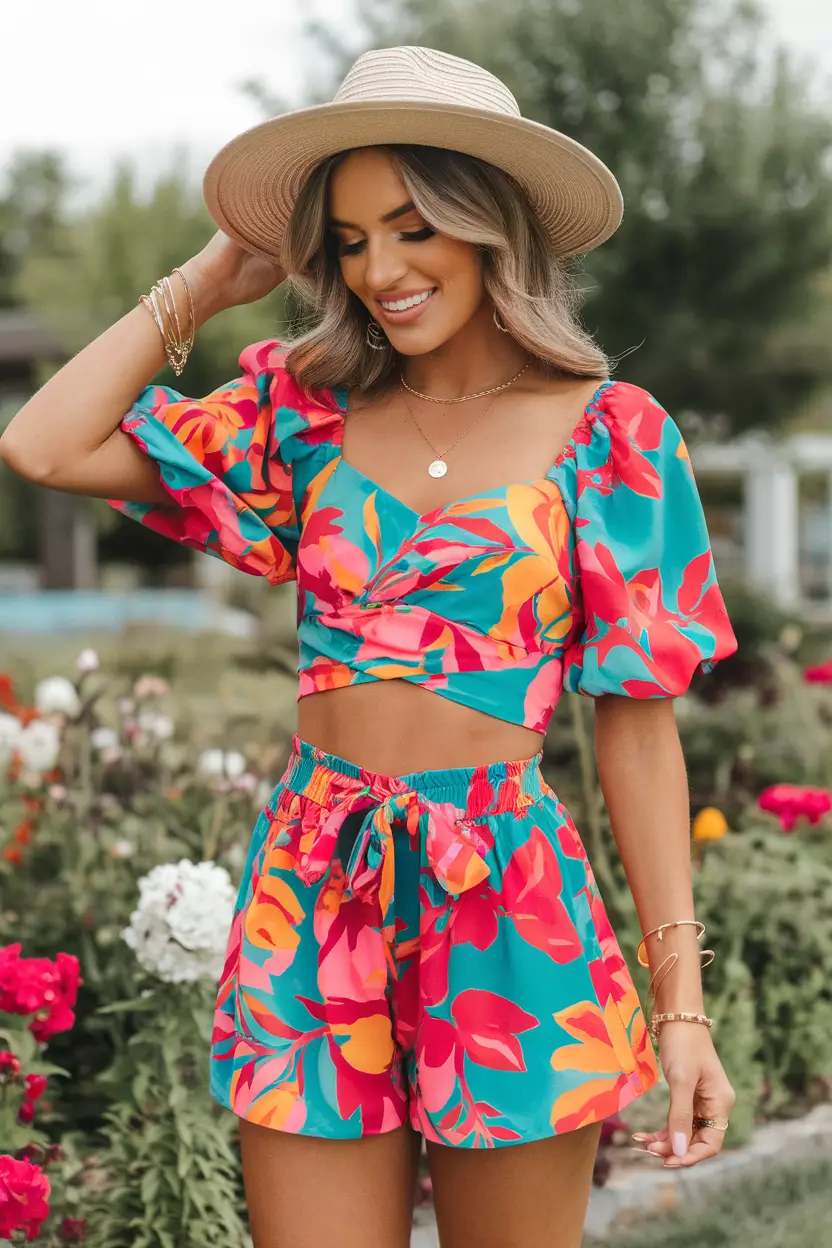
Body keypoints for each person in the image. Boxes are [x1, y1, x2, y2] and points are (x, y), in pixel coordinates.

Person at [1, 45, 738, 1248]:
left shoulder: (614, 438)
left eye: (412, 227)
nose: (380, 270)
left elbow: (638, 733)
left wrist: (683, 1011)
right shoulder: (299, 415)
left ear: (487, 226)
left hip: (505, 904)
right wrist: (209, 276)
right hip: (313, 893)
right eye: (347, 240)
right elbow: (42, 443)